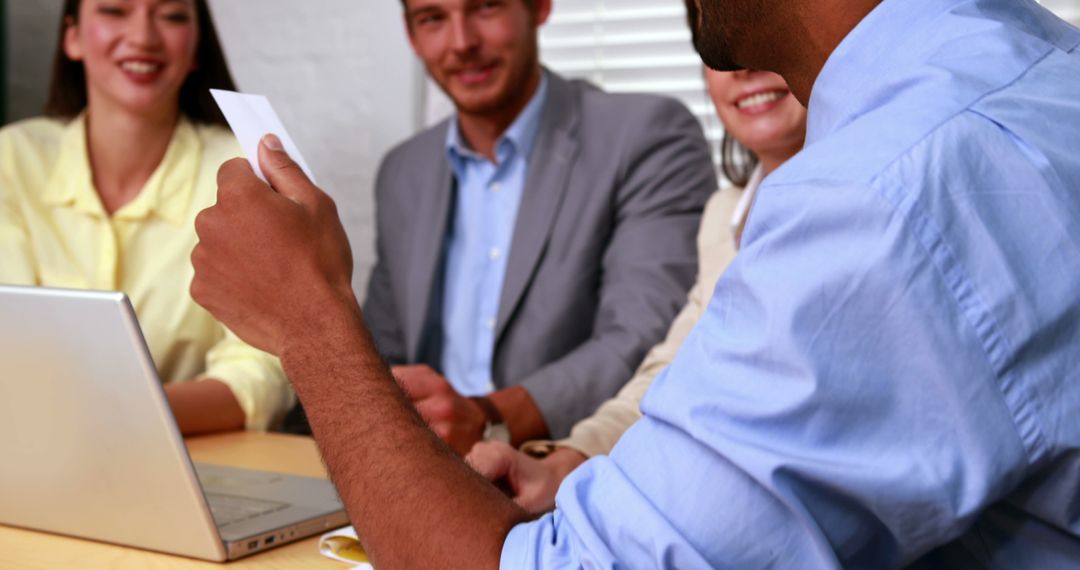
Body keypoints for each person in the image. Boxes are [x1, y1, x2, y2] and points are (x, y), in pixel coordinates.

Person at [190, 0, 1080, 566]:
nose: (459, 38)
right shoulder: (1030, 75)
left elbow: (634, 355)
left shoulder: (881, 191)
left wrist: (311, 325)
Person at [318, 0, 717, 455]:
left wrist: (488, 419)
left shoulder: (646, 136)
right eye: (432, 19)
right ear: (411, 36)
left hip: (570, 469)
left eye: (486, 7)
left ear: (539, 8)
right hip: (425, 467)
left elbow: (643, 339)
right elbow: (385, 351)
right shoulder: (403, 171)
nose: (462, 43)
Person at [466, 66, 808, 514]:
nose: (742, 64)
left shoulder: (874, 204)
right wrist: (565, 462)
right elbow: (666, 375)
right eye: (717, 41)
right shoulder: (722, 217)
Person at [0, 0, 292, 434]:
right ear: (73, 37)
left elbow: (263, 371)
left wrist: (112, 418)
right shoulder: (12, 158)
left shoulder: (244, 168)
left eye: (172, 15)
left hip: (198, 460)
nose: (143, 37)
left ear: (196, 48)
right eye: (115, 10)